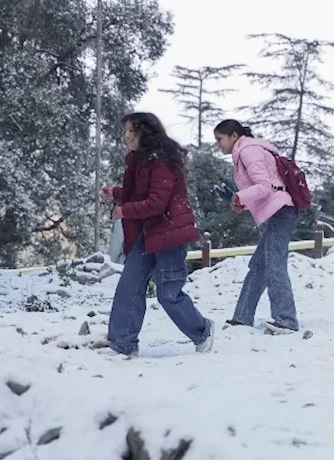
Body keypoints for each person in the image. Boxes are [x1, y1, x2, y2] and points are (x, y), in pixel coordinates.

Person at [102, 112, 213, 358]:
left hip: (171, 232)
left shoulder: (161, 161)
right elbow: (143, 193)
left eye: (131, 131)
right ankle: (122, 344)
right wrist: (118, 193)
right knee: (129, 286)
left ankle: (202, 331)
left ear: (145, 132)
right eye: (126, 131)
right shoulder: (140, 160)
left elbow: (157, 202)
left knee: (168, 294)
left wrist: (124, 210)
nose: (126, 136)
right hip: (150, 232)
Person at [214, 119, 302, 334]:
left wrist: (237, 197)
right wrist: (239, 203)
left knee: (274, 264)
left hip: (281, 210)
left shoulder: (248, 151)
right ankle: (242, 317)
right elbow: (265, 188)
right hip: (278, 210)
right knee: (260, 266)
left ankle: (286, 320)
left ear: (234, 136)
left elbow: (265, 187)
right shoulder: (246, 152)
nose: (218, 144)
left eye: (220, 139)